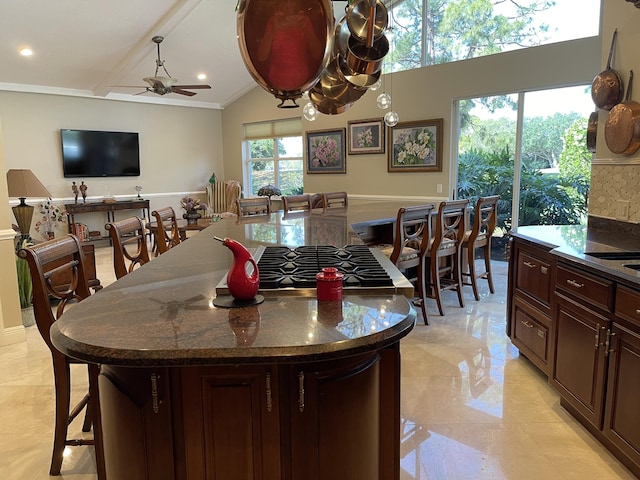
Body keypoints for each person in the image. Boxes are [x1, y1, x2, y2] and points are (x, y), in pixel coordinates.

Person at [256, 0, 325, 92]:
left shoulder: (303, 20)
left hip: (302, 79)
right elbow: (261, 56)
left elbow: (318, 54)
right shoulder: (274, 21)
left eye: (292, 1)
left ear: (298, 3)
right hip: (277, 79)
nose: (288, 4)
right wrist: (274, 30)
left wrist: (306, 30)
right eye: (285, 1)